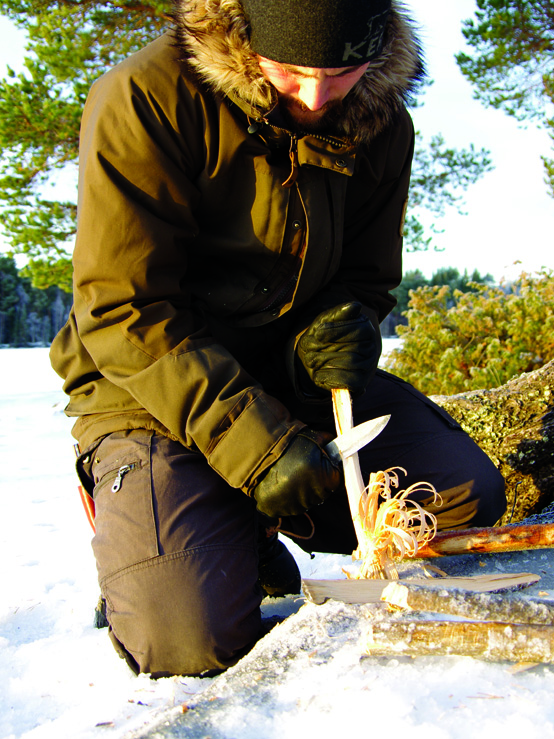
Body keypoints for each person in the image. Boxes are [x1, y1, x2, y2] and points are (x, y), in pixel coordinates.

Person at [50, 0, 506, 678]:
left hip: (289, 380)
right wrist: (257, 449)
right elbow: (123, 308)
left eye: (344, 70)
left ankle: (235, 521)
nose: (319, 96)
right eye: (292, 70)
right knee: (183, 633)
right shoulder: (146, 96)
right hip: (145, 387)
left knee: (461, 497)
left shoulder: (379, 118)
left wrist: (341, 328)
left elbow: (364, 277)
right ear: (244, 34)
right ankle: (161, 526)